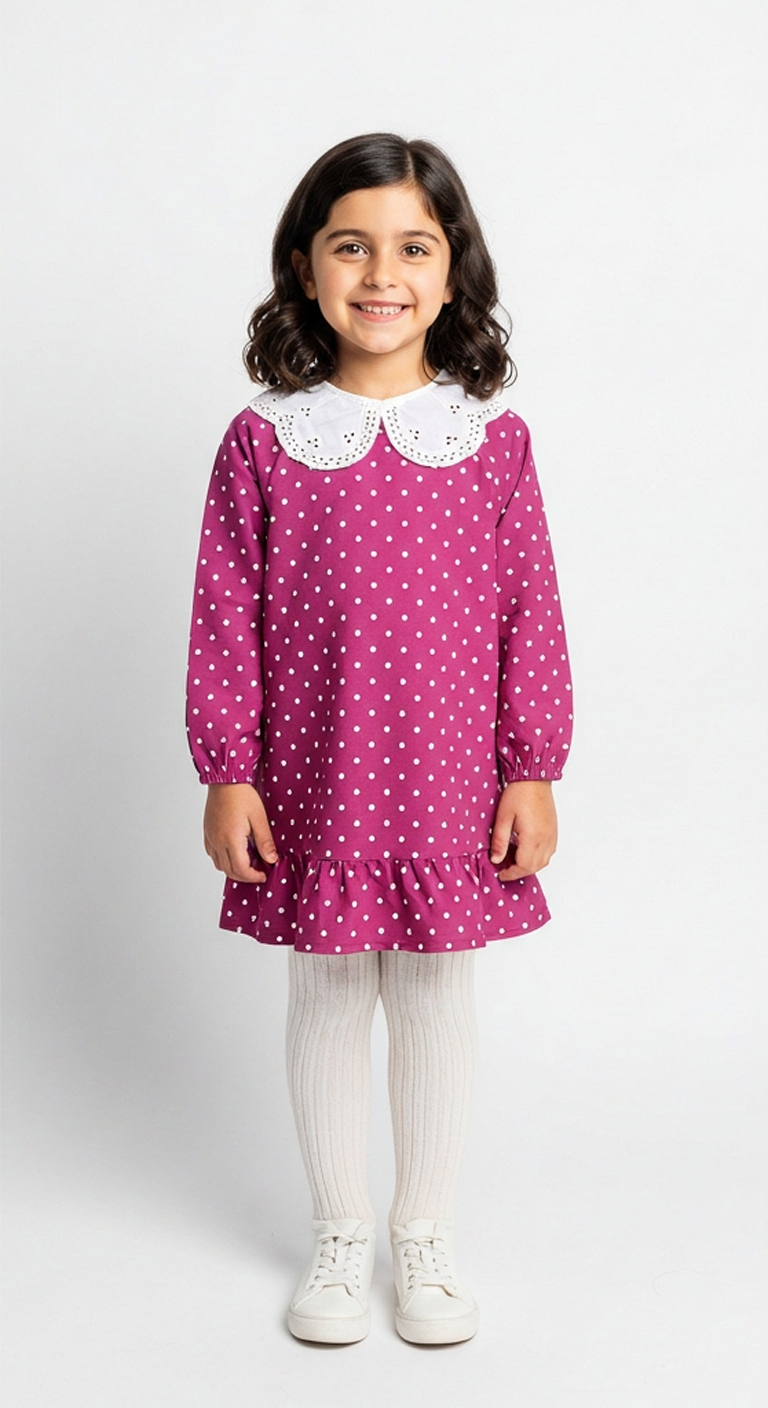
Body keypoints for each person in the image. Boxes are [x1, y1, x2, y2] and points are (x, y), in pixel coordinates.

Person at [186, 132, 573, 1346]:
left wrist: (534, 765)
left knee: (436, 996)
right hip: (316, 772)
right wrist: (227, 770)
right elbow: (225, 614)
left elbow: (530, 609)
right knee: (328, 992)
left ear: (453, 274)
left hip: (452, 776)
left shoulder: (492, 440)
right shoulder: (264, 440)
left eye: (413, 247)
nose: (382, 274)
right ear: (307, 268)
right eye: (351, 246)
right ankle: (341, 1231)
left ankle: (424, 1233)